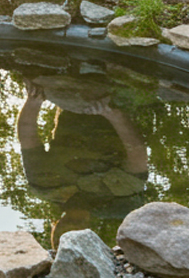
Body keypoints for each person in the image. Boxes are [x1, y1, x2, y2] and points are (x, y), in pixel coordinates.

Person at [16, 79, 149, 249]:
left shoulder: (45, 186)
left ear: (55, 226)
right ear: (89, 231)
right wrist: (113, 114)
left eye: (60, 236)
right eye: (74, 234)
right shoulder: (119, 197)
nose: (70, 230)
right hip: (116, 104)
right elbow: (137, 153)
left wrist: (33, 102)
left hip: (70, 105)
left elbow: (28, 138)